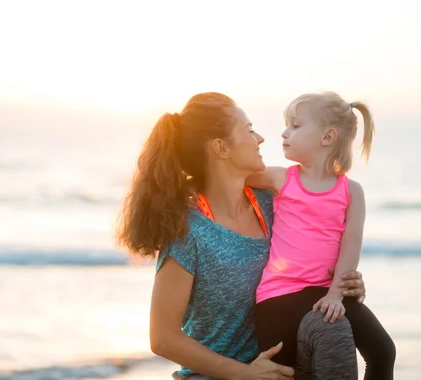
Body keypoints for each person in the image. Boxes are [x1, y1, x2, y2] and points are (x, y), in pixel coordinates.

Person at [116, 92, 367, 379]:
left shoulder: (272, 204)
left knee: (334, 331)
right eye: (249, 130)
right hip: (216, 376)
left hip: (284, 366)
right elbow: (163, 338)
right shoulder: (189, 231)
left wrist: (342, 284)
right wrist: (244, 374)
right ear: (221, 147)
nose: (260, 138)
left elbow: (314, 255)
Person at [248, 92, 396, 379]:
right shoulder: (281, 178)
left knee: (383, 350)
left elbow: (350, 247)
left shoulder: (351, 191)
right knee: (286, 371)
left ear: (327, 137)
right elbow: (228, 176)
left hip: (328, 294)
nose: (284, 132)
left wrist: (336, 295)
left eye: (295, 125)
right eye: (287, 125)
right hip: (278, 297)